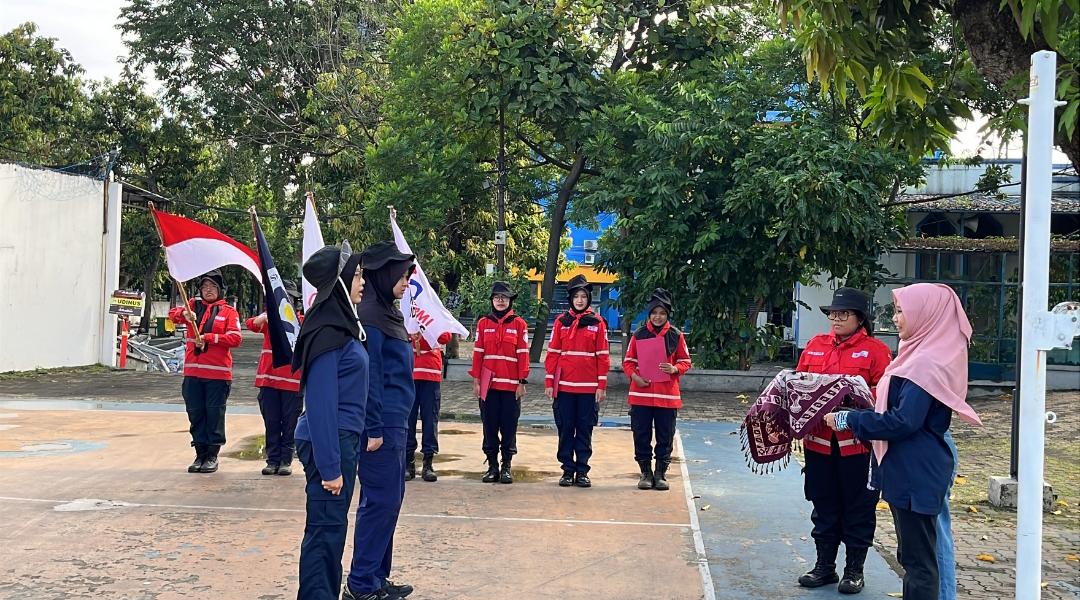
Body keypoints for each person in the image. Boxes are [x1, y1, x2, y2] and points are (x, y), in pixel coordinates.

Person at [826, 283, 982, 600]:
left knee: (920, 561)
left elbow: (903, 421)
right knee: (913, 557)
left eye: (901, 311)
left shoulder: (924, 364)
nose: (896, 318)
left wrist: (849, 420)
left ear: (925, 314)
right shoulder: (918, 355)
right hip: (910, 467)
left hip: (916, 469)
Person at [796, 287, 892, 594]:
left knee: (858, 507)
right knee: (823, 504)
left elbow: (885, 395)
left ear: (860, 318)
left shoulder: (876, 351)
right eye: (832, 314)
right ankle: (824, 566)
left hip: (857, 446)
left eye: (843, 314)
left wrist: (850, 398)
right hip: (818, 443)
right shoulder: (815, 345)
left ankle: (854, 571)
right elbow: (798, 383)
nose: (835, 319)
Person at [292, 244, 368, 600]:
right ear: (340, 281)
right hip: (329, 441)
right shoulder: (327, 332)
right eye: (357, 275)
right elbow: (320, 404)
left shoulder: (340, 325)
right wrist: (330, 467)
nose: (362, 282)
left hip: (340, 439)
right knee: (325, 532)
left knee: (332, 531)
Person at [343, 241, 417, 600]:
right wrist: (373, 427)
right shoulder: (371, 316)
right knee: (381, 502)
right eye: (401, 276)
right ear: (384, 275)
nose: (405, 283)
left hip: (396, 421)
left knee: (390, 501)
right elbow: (369, 376)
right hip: (381, 424)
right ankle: (360, 584)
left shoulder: (387, 312)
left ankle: (375, 577)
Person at [168, 270, 242, 474]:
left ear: (220, 290)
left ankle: (212, 455)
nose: (208, 290)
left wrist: (210, 338)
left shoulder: (228, 312)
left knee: (214, 415)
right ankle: (199, 453)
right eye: (204, 287)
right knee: (195, 414)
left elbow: (235, 338)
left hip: (217, 375)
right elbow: (172, 315)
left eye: (212, 287)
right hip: (192, 373)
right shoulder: (192, 306)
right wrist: (184, 315)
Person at [544, 275, 610, 488]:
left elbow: (603, 356)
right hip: (564, 387)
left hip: (588, 389)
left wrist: (601, 386)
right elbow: (553, 354)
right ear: (570, 299)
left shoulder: (598, 323)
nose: (580, 300)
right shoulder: (561, 323)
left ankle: (582, 470)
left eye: (583, 296)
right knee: (565, 428)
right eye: (576, 296)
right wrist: (549, 382)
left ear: (589, 298)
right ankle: (567, 470)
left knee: (584, 429)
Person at [622, 288, 691, 491]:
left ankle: (660, 473)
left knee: (665, 436)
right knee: (641, 434)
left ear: (667, 314)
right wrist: (635, 377)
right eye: (654, 312)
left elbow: (686, 361)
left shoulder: (676, 335)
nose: (658, 317)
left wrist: (675, 368)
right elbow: (628, 362)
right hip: (641, 395)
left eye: (662, 313)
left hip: (666, 396)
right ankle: (645, 472)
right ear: (649, 314)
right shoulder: (639, 334)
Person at [469, 281, 530, 484]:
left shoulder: (519, 324)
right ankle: (492, 466)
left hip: (511, 386)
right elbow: (478, 354)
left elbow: (523, 355)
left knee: (509, 427)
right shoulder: (483, 323)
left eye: (504, 298)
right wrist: (476, 381)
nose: (500, 301)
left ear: (510, 301)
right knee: (489, 426)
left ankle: (506, 466)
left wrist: (522, 381)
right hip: (489, 387)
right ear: (492, 301)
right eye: (497, 298)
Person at [246, 280, 304, 476]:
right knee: (271, 422)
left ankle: (286, 459)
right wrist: (264, 316)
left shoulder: (301, 322)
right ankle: (272, 460)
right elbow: (251, 324)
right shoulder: (270, 321)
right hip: (269, 380)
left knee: (289, 423)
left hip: (292, 382)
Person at [407, 330, 452, 482]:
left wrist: (427, 330)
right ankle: (408, 461)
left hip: (431, 373)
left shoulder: (434, 318)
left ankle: (428, 462)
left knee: (430, 419)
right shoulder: (407, 318)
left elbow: (446, 337)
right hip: (410, 372)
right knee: (408, 419)